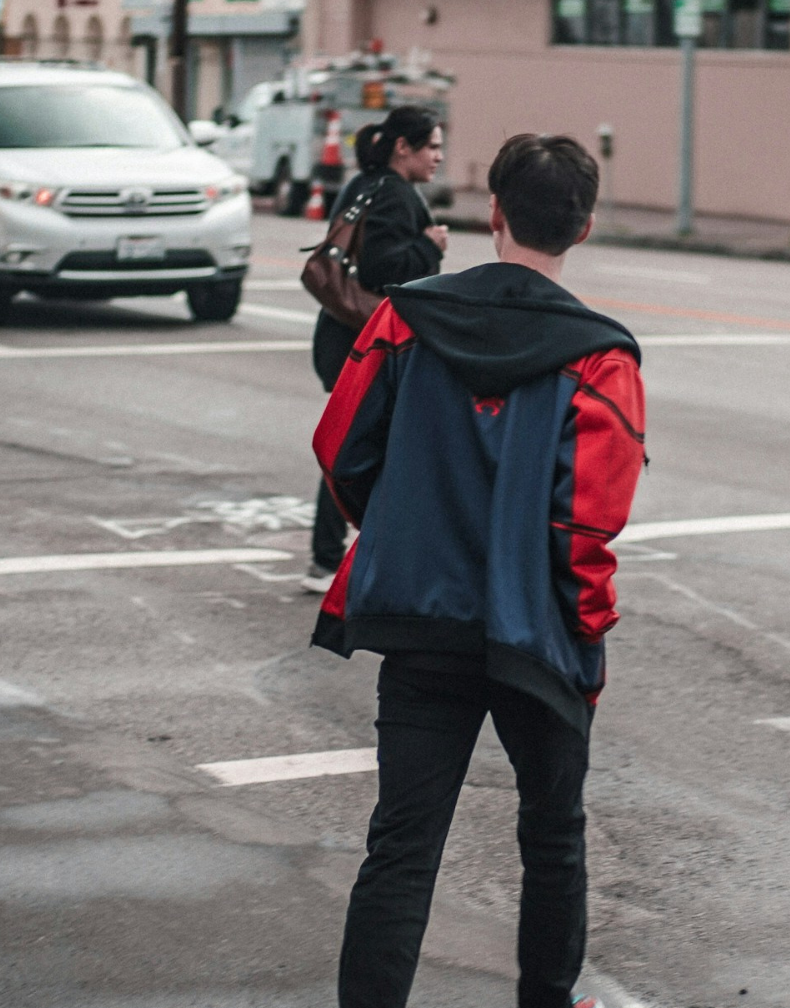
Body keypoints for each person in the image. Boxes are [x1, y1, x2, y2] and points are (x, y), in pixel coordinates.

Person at [309, 133, 647, 1008]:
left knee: (404, 844)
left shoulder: (404, 316)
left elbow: (343, 449)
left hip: (420, 620)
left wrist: (397, 529)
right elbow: (587, 526)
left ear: (493, 212)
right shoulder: (602, 355)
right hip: (535, 633)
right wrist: (588, 634)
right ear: (585, 227)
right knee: (553, 835)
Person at [302, 104, 449, 594]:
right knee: (366, 448)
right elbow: (387, 271)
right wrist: (430, 244)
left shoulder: (361, 183)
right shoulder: (395, 194)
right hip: (368, 343)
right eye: (431, 146)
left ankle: (336, 558)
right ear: (402, 147)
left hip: (340, 336)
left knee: (361, 444)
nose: (439, 157)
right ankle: (332, 560)